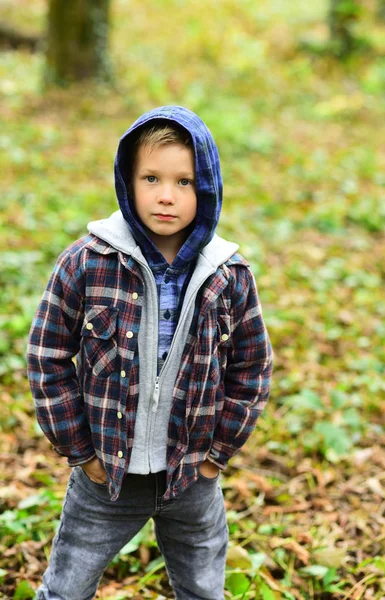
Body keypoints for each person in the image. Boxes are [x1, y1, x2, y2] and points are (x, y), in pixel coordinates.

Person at [27, 105, 273, 600]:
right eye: (152, 178)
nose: (166, 195)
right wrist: (79, 449)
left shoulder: (228, 276)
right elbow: (47, 356)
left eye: (184, 182)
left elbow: (252, 366)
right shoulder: (86, 263)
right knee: (66, 587)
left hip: (192, 477)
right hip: (106, 479)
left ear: (206, 187)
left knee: (204, 590)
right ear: (127, 181)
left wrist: (217, 454)